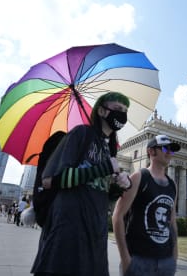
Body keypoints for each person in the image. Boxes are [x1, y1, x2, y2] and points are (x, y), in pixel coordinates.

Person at [31, 92, 132, 276]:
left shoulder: (109, 150)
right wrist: (102, 169)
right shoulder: (80, 134)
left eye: (125, 111)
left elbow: (101, 191)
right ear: (102, 111)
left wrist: (119, 187)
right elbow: (53, 180)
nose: (122, 114)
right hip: (67, 234)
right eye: (117, 109)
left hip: (95, 235)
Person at [112, 134, 180, 276]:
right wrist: (125, 258)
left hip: (166, 262)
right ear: (151, 151)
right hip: (139, 261)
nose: (169, 153)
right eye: (165, 149)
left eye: (171, 150)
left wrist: (174, 255)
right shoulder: (138, 177)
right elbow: (117, 216)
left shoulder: (172, 185)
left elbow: (172, 221)